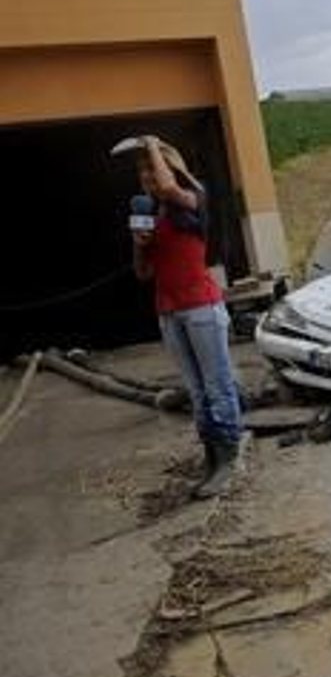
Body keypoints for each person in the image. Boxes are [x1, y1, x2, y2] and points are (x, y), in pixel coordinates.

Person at [129, 136, 245, 498]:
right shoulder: (151, 214)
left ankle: (228, 460)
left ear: (172, 168)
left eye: (153, 167)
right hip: (169, 312)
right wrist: (139, 242)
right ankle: (211, 458)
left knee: (217, 385)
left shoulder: (194, 199)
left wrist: (150, 143)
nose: (149, 176)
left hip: (201, 308)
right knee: (196, 392)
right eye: (143, 170)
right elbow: (143, 274)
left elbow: (167, 185)